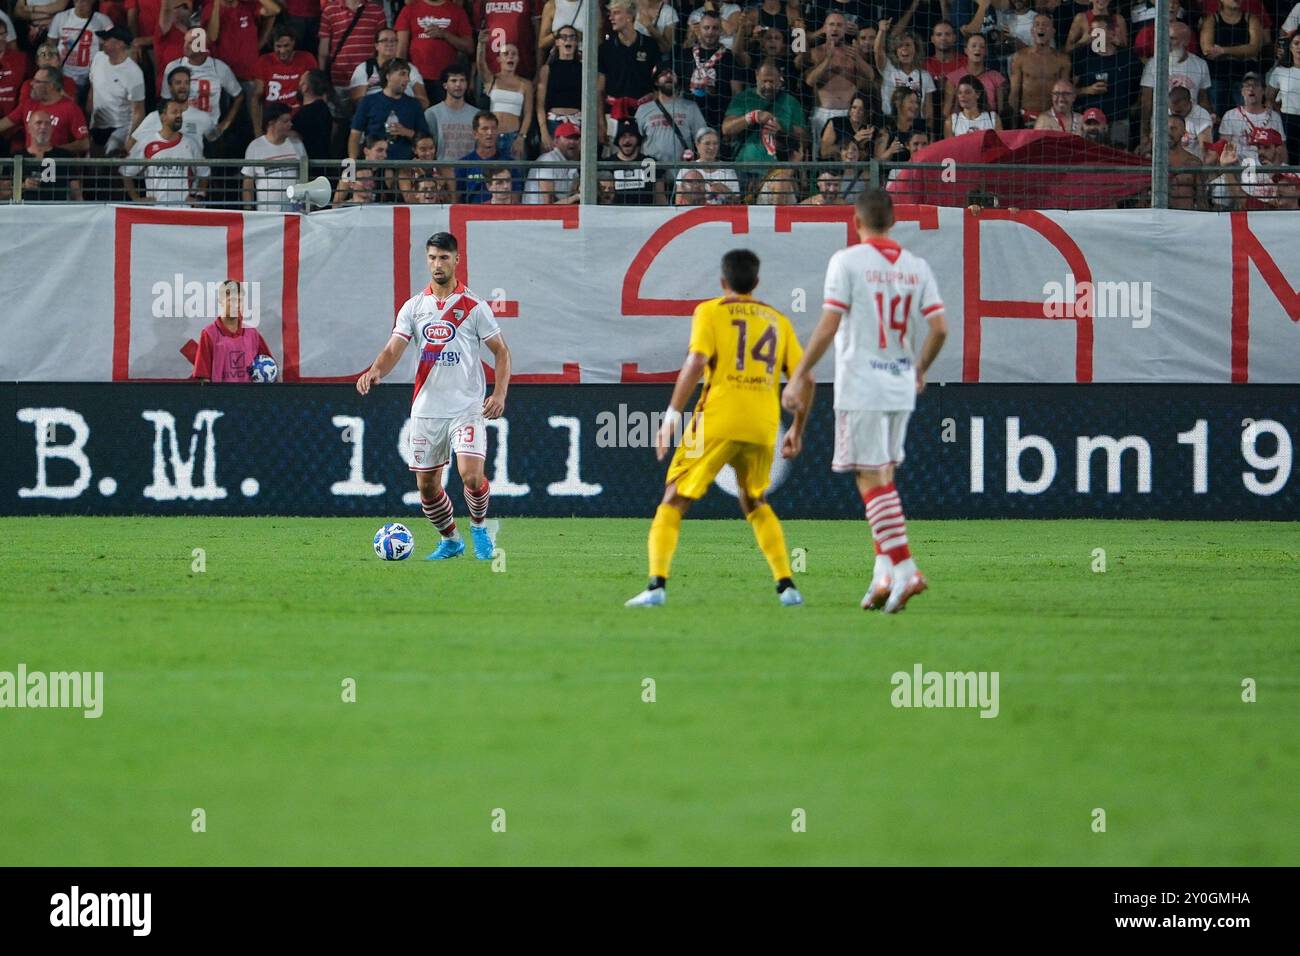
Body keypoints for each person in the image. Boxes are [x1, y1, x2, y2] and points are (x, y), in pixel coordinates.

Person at [781, 187, 947, 614]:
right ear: (893, 221)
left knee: (867, 477)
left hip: (862, 383)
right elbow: (940, 328)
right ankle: (883, 574)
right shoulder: (917, 266)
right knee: (884, 475)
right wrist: (920, 369)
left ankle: (907, 569)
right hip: (899, 383)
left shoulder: (847, 261)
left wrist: (799, 374)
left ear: (856, 223)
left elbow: (828, 324)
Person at [625, 248, 808, 609]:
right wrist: (797, 429)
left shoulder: (709, 311)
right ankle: (787, 586)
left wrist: (671, 418)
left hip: (716, 419)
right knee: (754, 499)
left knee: (674, 496)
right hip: (763, 422)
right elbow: (806, 378)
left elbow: (696, 361)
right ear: (756, 283)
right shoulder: (778, 321)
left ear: (723, 282)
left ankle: (656, 586)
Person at [356, 232, 513, 562]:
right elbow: (392, 348)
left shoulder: (474, 306)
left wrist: (499, 393)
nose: (437, 264)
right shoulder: (414, 307)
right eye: (432, 257)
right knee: (427, 487)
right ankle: (452, 540)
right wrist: (375, 370)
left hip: (467, 407)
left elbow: (501, 351)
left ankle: (480, 528)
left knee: (471, 476)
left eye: (444, 257)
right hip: (427, 410)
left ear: (457, 260)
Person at [121, 96, 209, 203]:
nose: (179, 115)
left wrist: (199, 196)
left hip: (183, 210)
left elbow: (204, 172)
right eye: (174, 112)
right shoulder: (147, 143)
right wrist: (136, 198)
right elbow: (126, 172)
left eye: (180, 112)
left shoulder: (191, 144)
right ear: (163, 117)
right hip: (156, 211)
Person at [192, 279, 275, 381]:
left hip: (250, 396)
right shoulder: (209, 334)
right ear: (220, 301)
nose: (236, 305)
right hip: (220, 396)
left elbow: (270, 368)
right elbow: (204, 377)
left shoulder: (252, 333)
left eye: (240, 300)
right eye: (231, 300)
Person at [348, 58, 428, 161]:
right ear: (388, 76)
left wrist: (405, 132)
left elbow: (424, 138)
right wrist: (353, 162)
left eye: (408, 75)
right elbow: (355, 134)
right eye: (402, 74)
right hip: (375, 165)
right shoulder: (368, 101)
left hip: (405, 165)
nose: (407, 79)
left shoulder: (414, 104)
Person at [396, 0, 473, 103]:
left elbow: (469, 47)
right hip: (416, 79)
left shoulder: (457, 11)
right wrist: (399, 77)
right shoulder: (409, 9)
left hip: (447, 80)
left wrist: (445, 35)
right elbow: (401, 50)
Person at [87, 25, 145, 154]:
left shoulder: (134, 73)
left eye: (107, 40)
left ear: (119, 44)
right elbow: (92, 90)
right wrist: (87, 119)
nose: (103, 42)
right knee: (93, 163)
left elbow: (138, 111)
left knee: (111, 159)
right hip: (96, 124)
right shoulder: (98, 58)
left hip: (120, 128)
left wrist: (130, 139)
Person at [635, 63, 706, 166]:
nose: (668, 76)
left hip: (683, 170)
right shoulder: (643, 109)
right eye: (663, 74)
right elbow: (636, 142)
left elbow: (702, 140)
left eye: (672, 74)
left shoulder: (691, 107)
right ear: (655, 82)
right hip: (651, 171)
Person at [1201, 0, 1263, 119]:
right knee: (1217, 117)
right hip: (1217, 77)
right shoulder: (1212, 19)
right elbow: (1207, 50)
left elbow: (1254, 48)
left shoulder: (1251, 19)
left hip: (1245, 78)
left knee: (1248, 117)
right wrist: (1242, 51)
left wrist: (1223, 51)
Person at [242, 101, 306, 209]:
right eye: (285, 121)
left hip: (294, 213)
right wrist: (247, 209)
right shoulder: (255, 146)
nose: (291, 124)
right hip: (267, 215)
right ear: (271, 123)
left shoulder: (297, 144)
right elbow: (248, 181)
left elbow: (304, 177)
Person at [476, 37, 533, 158]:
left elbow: (528, 113)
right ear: (499, 59)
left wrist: (521, 138)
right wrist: (481, 44)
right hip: (491, 136)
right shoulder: (492, 79)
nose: (510, 56)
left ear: (518, 59)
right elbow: (481, 65)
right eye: (506, 54)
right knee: (489, 175)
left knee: (516, 175)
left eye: (514, 54)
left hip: (514, 136)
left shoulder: (526, 84)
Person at [255, 25, 319, 127]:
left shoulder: (307, 59)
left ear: (293, 42)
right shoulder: (264, 61)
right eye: (278, 46)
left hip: (300, 118)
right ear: (273, 45)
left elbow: (316, 90)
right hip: (274, 120)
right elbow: (256, 97)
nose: (282, 51)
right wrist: (257, 131)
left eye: (286, 46)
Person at [1009, 14, 1068, 124]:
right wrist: (1014, 121)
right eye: (1037, 24)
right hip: (1027, 117)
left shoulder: (1062, 60)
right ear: (1032, 31)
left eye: (1045, 25)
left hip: (1053, 118)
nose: (1041, 27)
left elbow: (1065, 93)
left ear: (1053, 31)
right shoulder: (1020, 57)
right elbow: (1014, 93)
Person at [48, 0, 115, 94]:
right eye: (77, 0)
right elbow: (50, 45)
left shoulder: (103, 21)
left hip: (90, 77)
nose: (80, 4)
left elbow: (112, 47)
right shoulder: (61, 17)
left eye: (84, 1)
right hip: (64, 75)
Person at [349, 28, 426, 108]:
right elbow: (358, 101)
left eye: (393, 41)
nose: (389, 44)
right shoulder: (364, 68)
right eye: (384, 40)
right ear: (376, 46)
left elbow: (423, 101)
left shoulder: (410, 68)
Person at [536, 24, 581, 145]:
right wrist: (544, 131)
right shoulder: (547, 69)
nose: (568, 40)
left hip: (577, 122)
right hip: (553, 122)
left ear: (576, 42)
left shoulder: (584, 69)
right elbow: (540, 104)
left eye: (572, 37)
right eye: (564, 37)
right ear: (557, 42)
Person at [425, 62, 477, 162]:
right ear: (445, 85)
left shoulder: (476, 114)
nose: (458, 84)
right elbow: (428, 147)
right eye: (453, 81)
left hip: (470, 171)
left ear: (466, 84)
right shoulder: (432, 113)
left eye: (462, 80)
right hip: (442, 172)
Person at [522, 119, 579, 203]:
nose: (573, 142)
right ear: (556, 141)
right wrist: (576, 197)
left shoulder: (572, 163)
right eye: (568, 137)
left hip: (554, 212)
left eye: (576, 138)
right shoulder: (548, 160)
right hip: (536, 213)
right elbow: (548, 203)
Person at [1266, 33, 1300, 164]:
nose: (1299, 47)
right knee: (1290, 160)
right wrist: (1277, 113)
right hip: (1288, 121)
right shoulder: (1280, 71)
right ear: (1290, 48)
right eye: (1296, 43)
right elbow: (1269, 98)